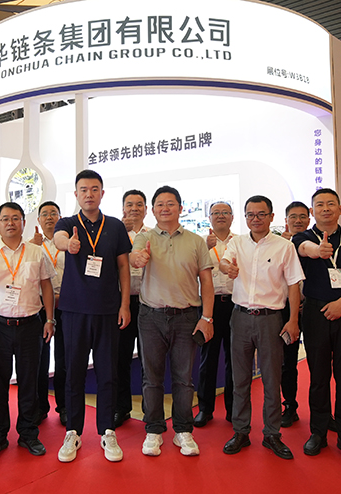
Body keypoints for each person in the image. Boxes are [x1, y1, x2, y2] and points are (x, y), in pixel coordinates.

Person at [53, 170, 131, 463]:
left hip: (108, 310)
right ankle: (73, 431)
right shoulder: (67, 223)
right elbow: (58, 238)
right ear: (76, 194)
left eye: (94, 189)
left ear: (102, 193)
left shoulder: (115, 226)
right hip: (74, 311)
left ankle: (107, 431)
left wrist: (125, 305)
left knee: (107, 373)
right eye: (83, 189)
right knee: (73, 372)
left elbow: (123, 267)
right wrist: (68, 244)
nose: (89, 194)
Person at [130, 186, 214, 457]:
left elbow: (207, 282)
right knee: (151, 378)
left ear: (180, 207)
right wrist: (138, 258)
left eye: (170, 203)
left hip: (186, 317)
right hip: (151, 316)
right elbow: (134, 257)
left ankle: (183, 430)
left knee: (183, 378)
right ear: (153, 210)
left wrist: (207, 318)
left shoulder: (196, 241)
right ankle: (154, 429)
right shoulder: (144, 237)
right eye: (160, 204)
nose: (165, 208)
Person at [220, 195, 304, 460]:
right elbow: (224, 262)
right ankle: (241, 431)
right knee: (240, 378)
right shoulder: (237, 242)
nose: (255, 219)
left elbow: (294, 284)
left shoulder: (284, 247)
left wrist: (293, 320)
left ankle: (272, 434)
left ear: (271, 216)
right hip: (240, 317)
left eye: (260, 214)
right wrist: (227, 267)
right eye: (250, 215)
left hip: (271, 319)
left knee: (271, 378)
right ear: (245, 217)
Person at [292, 188, 341, 462]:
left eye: (330, 204)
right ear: (312, 211)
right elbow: (304, 249)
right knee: (318, 377)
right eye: (319, 205)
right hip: (315, 312)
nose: (325, 208)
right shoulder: (302, 237)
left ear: (340, 209)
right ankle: (318, 432)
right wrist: (318, 251)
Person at [0, 202, 56, 461]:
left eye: (15, 218)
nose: (10, 223)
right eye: (5, 219)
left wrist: (50, 319)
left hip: (30, 324)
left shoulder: (36, 251)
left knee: (29, 381)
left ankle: (28, 434)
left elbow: (46, 285)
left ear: (23, 222)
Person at [195, 201, 235, 427]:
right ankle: (205, 409)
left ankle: (233, 409)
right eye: (216, 213)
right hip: (208, 306)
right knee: (207, 359)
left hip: (234, 305)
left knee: (234, 359)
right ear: (209, 217)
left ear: (232, 217)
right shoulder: (199, 242)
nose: (221, 216)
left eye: (225, 212)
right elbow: (189, 272)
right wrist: (205, 248)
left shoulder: (239, 242)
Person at [30, 201, 67, 425]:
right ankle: (40, 406)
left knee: (63, 357)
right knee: (39, 358)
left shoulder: (67, 242)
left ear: (60, 217)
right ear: (38, 220)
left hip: (66, 304)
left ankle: (64, 406)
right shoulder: (32, 245)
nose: (49, 217)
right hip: (40, 306)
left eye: (54, 213)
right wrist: (32, 246)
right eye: (45, 214)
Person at [115, 189, 150, 428]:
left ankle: (151, 409)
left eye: (139, 205)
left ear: (146, 210)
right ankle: (121, 408)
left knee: (150, 359)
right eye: (130, 205)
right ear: (123, 209)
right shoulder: (115, 234)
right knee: (120, 358)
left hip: (148, 303)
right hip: (122, 303)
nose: (134, 209)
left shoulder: (153, 235)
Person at [278, 201, 311, 428]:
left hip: (312, 308)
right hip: (286, 311)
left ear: (309, 219)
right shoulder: (278, 245)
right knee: (287, 362)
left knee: (318, 361)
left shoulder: (314, 242)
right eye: (293, 217)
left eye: (302, 216)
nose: (298, 220)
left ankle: (322, 411)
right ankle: (289, 405)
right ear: (286, 220)